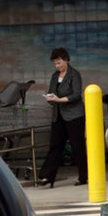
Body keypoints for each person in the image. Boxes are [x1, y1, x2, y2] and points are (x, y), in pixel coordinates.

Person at [37, 47, 87, 187]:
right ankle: (47, 176)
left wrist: (59, 100)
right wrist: (50, 97)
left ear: (65, 60)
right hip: (58, 115)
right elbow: (51, 91)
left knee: (77, 146)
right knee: (55, 145)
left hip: (74, 115)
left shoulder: (74, 74)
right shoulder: (54, 76)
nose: (57, 66)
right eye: (55, 63)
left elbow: (76, 95)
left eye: (59, 63)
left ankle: (83, 176)